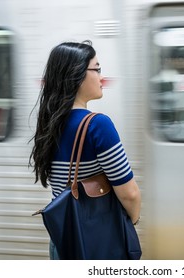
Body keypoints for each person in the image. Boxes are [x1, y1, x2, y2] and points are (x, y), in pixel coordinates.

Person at [29, 41, 141, 259]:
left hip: (61, 241)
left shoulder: (49, 122)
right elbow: (130, 194)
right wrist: (132, 221)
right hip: (96, 242)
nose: (101, 77)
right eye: (97, 69)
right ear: (77, 75)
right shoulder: (97, 125)